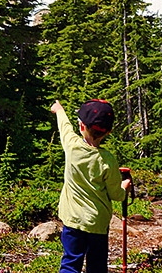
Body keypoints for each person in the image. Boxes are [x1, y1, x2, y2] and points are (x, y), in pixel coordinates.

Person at [49, 98, 130, 273]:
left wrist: (59, 110)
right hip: (97, 224)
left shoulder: (72, 146)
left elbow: (64, 127)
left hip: (72, 221)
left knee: (70, 262)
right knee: (97, 265)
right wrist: (125, 187)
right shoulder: (108, 160)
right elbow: (116, 194)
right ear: (107, 132)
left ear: (81, 127)